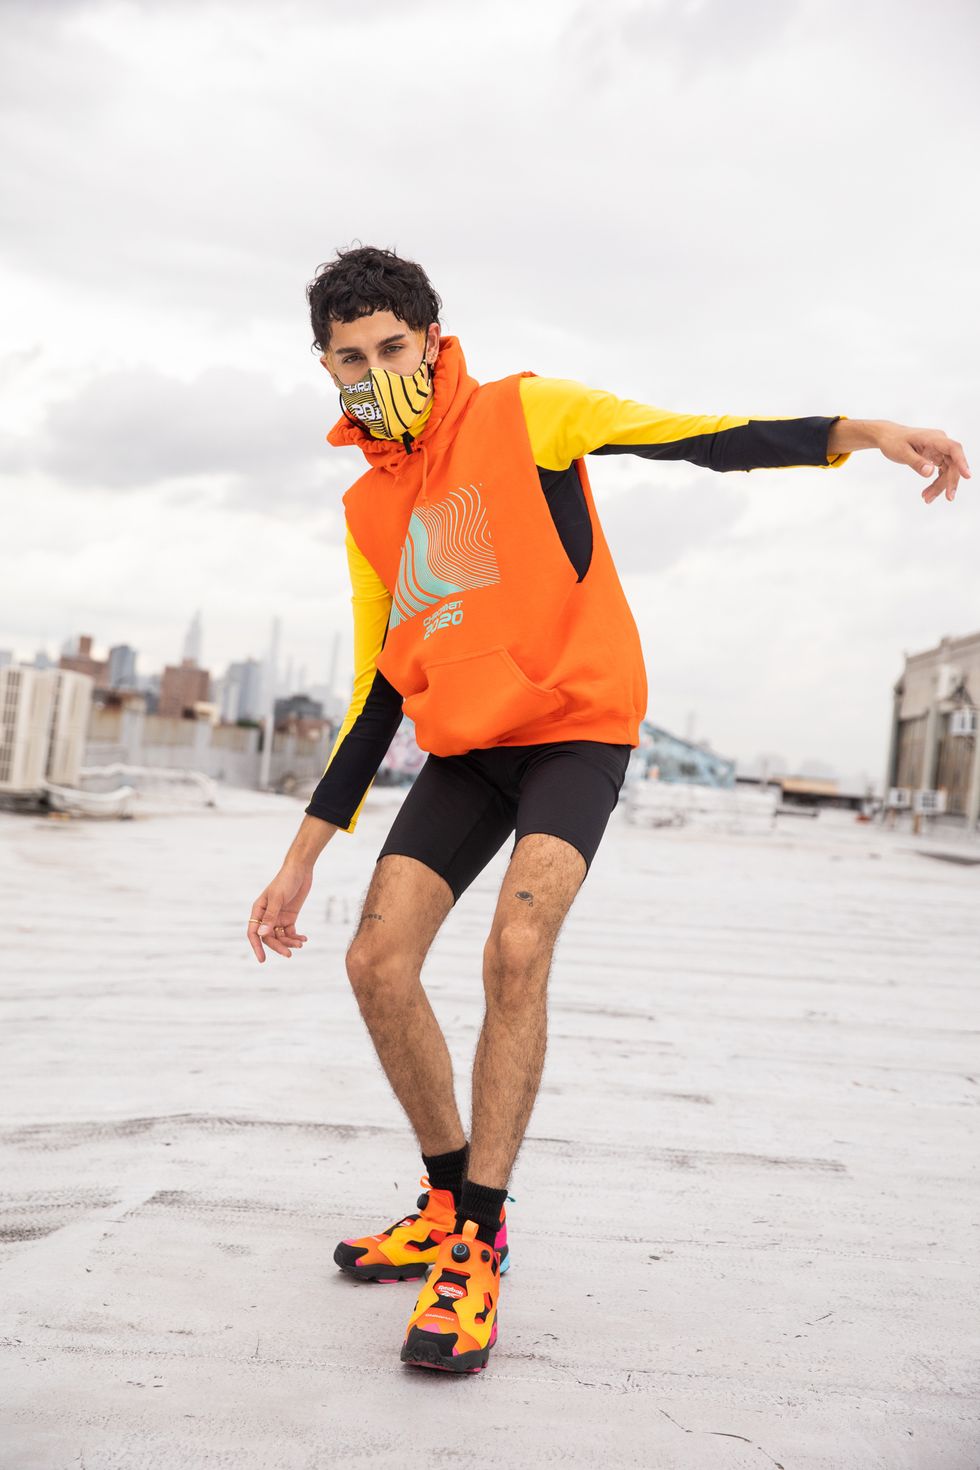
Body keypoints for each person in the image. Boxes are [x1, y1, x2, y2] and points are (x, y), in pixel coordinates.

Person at [246, 245, 968, 1375]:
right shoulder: (367, 507)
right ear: (325, 367)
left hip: (574, 730)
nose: (376, 372)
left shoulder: (525, 414)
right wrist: (301, 855)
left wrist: (860, 432)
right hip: (470, 750)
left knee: (515, 946)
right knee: (374, 962)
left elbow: (698, 437)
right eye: (351, 358)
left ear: (431, 342)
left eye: (393, 347)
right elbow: (377, 690)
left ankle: (479, 1244)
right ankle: (444, 1200)